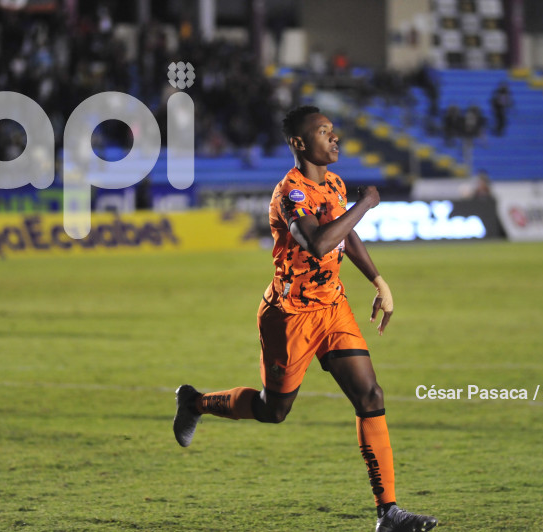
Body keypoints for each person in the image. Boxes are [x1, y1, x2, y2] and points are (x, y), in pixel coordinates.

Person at [173, 106, 438, 532]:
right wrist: (367, 203)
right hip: (289, 317)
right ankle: (195, 402)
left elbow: (344, 235)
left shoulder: (333, 183)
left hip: (332, 308)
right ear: (299, 143)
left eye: (333, 131)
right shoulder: (289, 194)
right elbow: (319, 242)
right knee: (273, 410)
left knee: (370, 396)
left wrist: (378, 279)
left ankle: (388, 513)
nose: (335, 138)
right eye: (323, 132)